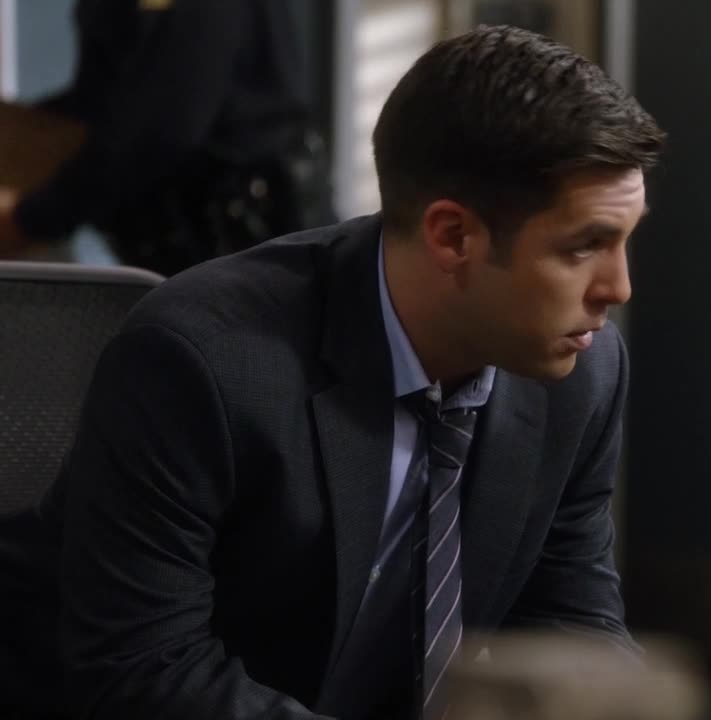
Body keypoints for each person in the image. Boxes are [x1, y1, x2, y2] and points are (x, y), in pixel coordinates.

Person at [0, 23, 664, 720]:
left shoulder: (581, 373)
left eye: (625, 240)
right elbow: (146, 674)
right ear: (453, 236)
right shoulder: (201, 361)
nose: (618, 288)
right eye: (585, 247)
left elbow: (570, 627)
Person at [0, 0, 332, 276]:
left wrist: (28, 219)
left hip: (240, 241)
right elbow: (107, 101)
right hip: (186, 246)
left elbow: (157, 129)